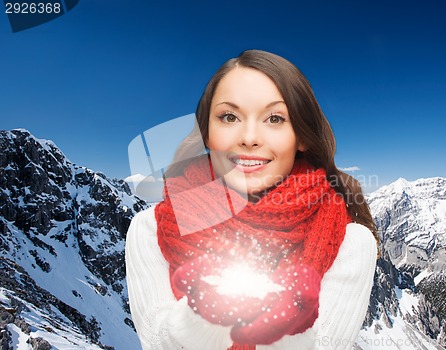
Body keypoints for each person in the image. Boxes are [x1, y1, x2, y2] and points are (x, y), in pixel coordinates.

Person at [125, 49, 378, 350]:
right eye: (229, 117)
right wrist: (203, 314)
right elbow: (156, 343)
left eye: (274, 118)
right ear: (206, 132)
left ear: (302, 137)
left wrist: (285, 322)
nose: (249, 137)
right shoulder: (149, 229)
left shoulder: (351, 243)